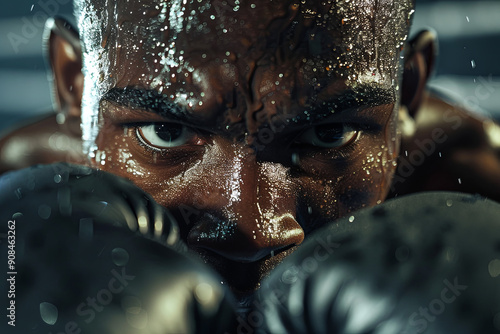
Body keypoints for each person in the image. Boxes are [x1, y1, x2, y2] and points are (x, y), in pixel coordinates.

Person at [2, 0, 500, 332]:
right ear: (74, 84)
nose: (252, 229)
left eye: (328, 134)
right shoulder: (17, 221)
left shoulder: (473, 176)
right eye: (167, 133)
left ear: (408, 90)